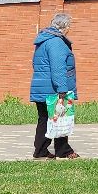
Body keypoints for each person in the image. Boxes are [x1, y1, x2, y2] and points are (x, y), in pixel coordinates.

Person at [31, 12, 80, 159]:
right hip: (53, 90)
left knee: (45, 119)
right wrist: (62, 90)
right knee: (60, 118)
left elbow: (36, 64)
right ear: (65, 27)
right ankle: (60, 150)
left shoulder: (44, 41)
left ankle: (42, 151)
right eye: (69, 26)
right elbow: (58, 68)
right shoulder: (56, 43)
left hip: (42, 87)